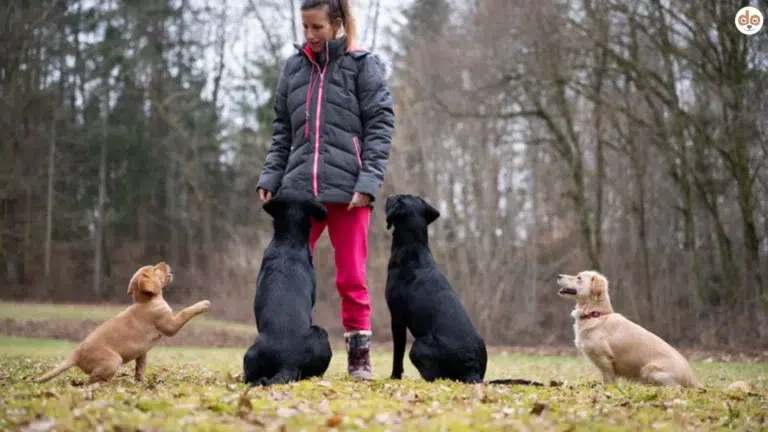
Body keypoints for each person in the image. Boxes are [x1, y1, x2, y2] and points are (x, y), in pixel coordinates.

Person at [256, 0, 395, 380]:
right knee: (285, 274)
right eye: (305, 28)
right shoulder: (294, 67)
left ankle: (359, 357)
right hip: (299, 193)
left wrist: (368, 183)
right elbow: (283, 130)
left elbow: (380, 128)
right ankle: (287, 349)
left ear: (337, 24)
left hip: (350, 193)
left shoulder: (363, 65)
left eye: (317, 27)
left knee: (351, 278)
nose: (311, 36)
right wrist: (271, 176)